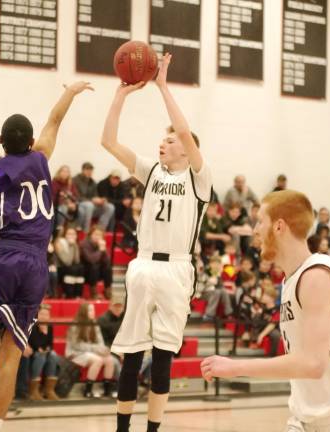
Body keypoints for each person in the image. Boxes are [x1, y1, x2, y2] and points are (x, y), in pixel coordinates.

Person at [201, 190, 330, 431]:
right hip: (308, 419)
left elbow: (313, 364)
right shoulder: (293, 278)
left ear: (279, 226)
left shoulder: (315, 276)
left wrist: (235, 367)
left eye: (261, 221)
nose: (256, 230)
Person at [0, 81, 92, 432]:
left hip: (2, 257)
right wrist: (71, 92)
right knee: (10, 353)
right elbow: (54, 121)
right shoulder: (42, 158)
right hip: (37, 263)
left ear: (0, 142)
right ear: (30, 141)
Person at [101, 53, 212, 432]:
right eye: (162, 139)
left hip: (177, 267)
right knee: (131, 356)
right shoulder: (150, 171)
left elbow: (183, 129)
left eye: (169, 139)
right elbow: (108, 141)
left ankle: (153, 430)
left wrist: (163, 86)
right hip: (143, 264)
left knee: (163, 356)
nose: (163, 143)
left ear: (185, 146)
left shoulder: (199, 178)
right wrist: (120, 96)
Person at [66, 303, 116, 398]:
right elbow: (76, 345)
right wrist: (95, 349)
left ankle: (107, 390)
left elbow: (100, 342)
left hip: (91, 353)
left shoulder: (94, 324)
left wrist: (103, 350)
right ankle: (88, 390)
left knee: (110, 360)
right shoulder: (75, 325)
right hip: (75, 353)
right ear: (84, 312)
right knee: (98, 360)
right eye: (90, 310)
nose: (93, 312)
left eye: (93, 310)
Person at [27, 304, 60, 401]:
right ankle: (33, 390)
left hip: (45, 352)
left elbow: (50, 343)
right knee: (40, 356)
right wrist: (42, 332)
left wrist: (48, 349)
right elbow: (34, 343)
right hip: (33, 352)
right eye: (42, 314)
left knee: (53, 355)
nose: (44, 316)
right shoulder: (33, 326)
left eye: (46, 314)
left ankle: (49, 389)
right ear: (37, 315)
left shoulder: (49, 327)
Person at [73, 162, 116, 232]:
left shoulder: (92, 182)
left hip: (91, 205)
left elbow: (95, 196)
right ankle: (85, 231)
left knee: (110, 207)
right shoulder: (75, 180)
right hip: (79, 204)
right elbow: (76, 197)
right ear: (82, 170)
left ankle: (99, 230)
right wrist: (91, 200)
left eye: (91, 170)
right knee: (89, 205)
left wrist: (100, 200)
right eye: (87, 170)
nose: (89, 172)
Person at [80, 226, 112, 299]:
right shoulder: (84, 244)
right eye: (95, 234)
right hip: (86, 272)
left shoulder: (100, 245)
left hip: (97, 272)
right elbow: (91, 260)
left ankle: (108, 291)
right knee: (94, 266)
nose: (97, 237)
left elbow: (107, 261)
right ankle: (94, 293)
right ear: (90, 235)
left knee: (108, 267)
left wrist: (104, 250)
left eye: (99, 235)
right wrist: (100, 250)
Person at [54, 226, 85, 298]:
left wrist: (74, 245)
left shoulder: (74, 244)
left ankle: (77, 295)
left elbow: (77, 260)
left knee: (81, 268)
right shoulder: (59, 243)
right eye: (69, 234)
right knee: (72, 269)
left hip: (69, 268)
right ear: (65, 235)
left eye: (73, 234)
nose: (72, 236)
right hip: (59, 269)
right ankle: (69, 294)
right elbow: (67, 261)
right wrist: (71, 246)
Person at [52, 165, 80, 230]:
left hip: (69, 205)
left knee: (80, 209)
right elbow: (53, 198)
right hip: (57, 205)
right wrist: (66, 203)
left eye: (67, 172)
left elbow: (76, 196)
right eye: (63, 171)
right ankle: (59, 227)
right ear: (59, 172)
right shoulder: (54, 182)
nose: (65, 173)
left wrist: (74, 204)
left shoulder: (70, 183)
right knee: (63, 208)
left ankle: (76, 229)